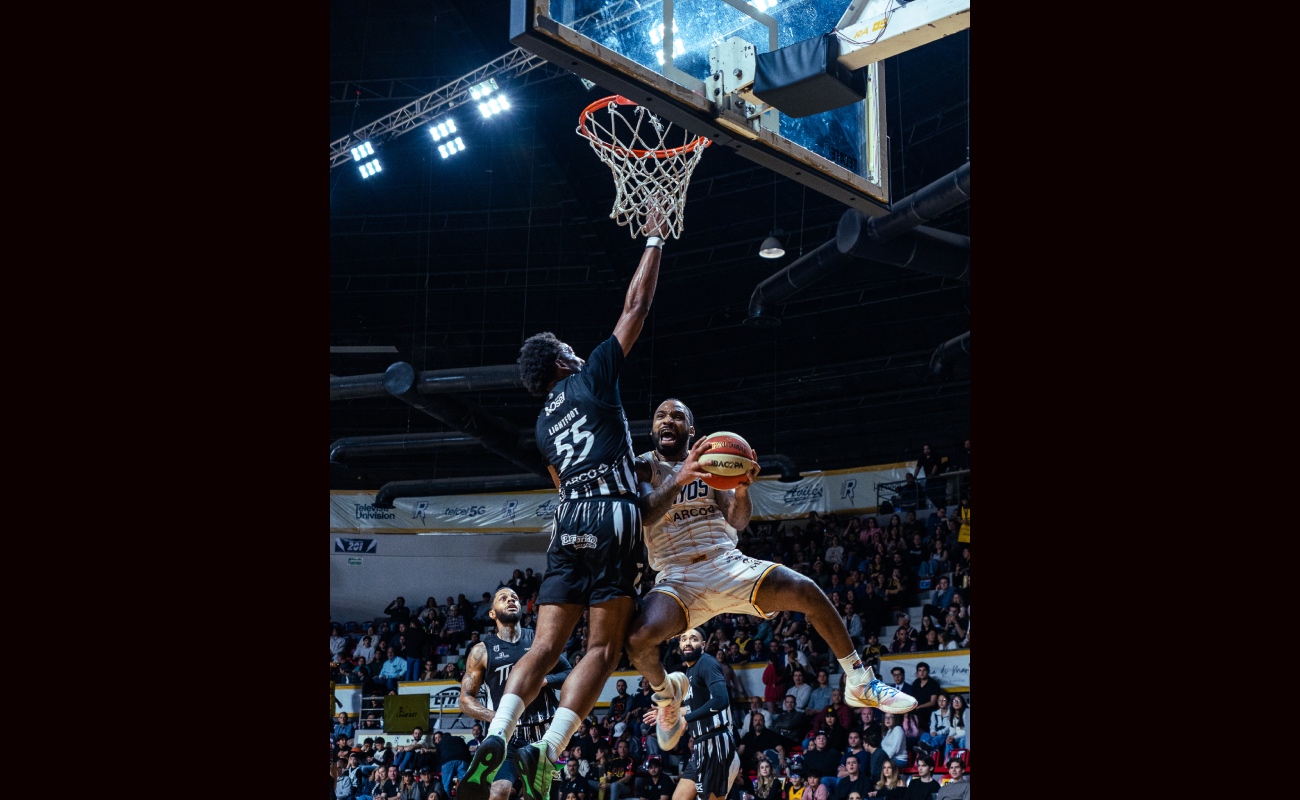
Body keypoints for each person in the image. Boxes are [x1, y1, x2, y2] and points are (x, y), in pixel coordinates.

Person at [463, 219, 669, 800]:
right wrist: (653, 240)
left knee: (542, 648)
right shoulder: (593, 376)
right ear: (560, 361)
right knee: (602, 649)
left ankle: (499, 733)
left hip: (569, 519)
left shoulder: (541, 423)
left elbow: (562, 483)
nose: (580, 354)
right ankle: (546, 751)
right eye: (570, 351)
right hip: (611, 516)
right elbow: (637, 305)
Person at [626, 400, 917, 756]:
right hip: (676, 573)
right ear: (653, 428)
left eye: (677, 417)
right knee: (638, 639)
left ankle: (860, 680)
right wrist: (680, 477)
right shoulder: (642, 467)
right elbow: (645, 514)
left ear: (691, 429)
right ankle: (667, 695)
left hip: (725, 561)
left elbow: (738, 520)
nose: (667, 420)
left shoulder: (711, 463)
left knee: (806, 590)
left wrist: (744, 489)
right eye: (660, 416)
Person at [458, 587, 575, 800]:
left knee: (546, 796)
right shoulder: (481, 651)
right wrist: (494, 717)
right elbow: (465, 699)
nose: (510, 600)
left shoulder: (540, 641)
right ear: (492, 613)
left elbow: (570, 674)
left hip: (545, 733)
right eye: (503, 598)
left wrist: (546, 680)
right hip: (509, 735)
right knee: (498, 792)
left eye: (514, 598)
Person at [641, 628, 740, 800]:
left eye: (693, 639)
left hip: (716, 744)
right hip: (701, 747)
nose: (687, 642)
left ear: (702, 645)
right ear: (679, 645)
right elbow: (694, 707)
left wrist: (684, 719)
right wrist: (669, 712)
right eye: (684, 639)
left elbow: (721, 700)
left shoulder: (707, 663)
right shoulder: (689, 673)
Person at [905, 665, 941, 735]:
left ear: (928, 672)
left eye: (924, 670)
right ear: (917, 672)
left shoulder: (933, 684)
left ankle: (923, 734)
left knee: (919, 712)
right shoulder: (916, 683)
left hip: (928, 709)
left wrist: (919, 707)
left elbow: (932, 702)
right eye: (920, 670)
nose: (922, 672)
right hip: (916, 708)